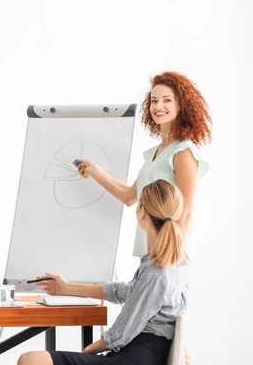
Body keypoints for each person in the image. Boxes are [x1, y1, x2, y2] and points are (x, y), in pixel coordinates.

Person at [18, 179, 188, 365]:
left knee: (32, 360)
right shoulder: (170, 266)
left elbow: (123, 330)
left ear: (142, 212)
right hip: (139, 354)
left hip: (134, 358)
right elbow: (125, 291)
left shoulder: (155, 273)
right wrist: (67, 288)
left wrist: (90, 349)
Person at [76, 71, 211, 258]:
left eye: (167, 100)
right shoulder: (156, 153)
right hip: (149, 253)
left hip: (166, 257)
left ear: (182, 105)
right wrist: (95, 170)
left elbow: (185, 213)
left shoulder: (183, 152)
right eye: (154, 101)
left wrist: (171, 261)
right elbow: (130, 196)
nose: (158, 106)